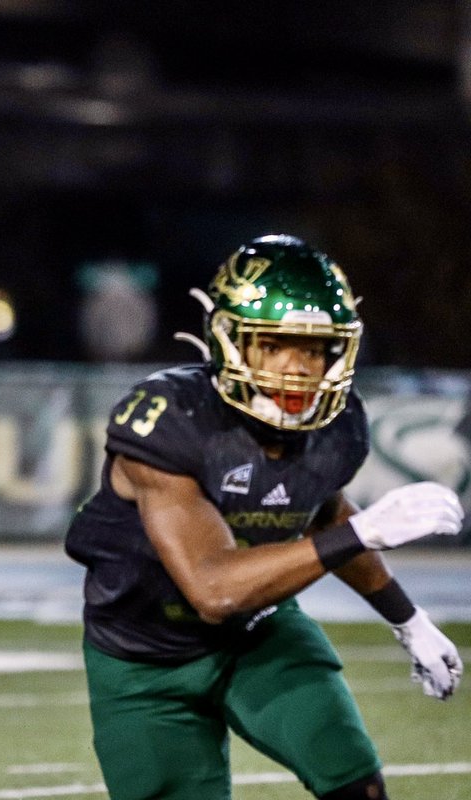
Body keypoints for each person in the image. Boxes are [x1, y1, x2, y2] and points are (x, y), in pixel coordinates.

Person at [64, 234, 464, 800]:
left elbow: (321, 511)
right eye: (274, 345)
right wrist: (363, 531)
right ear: (231, 341)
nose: (297, 369)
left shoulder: (338, 425)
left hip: (259, 633)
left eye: (316, 349)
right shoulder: (172, 419)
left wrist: (407, 618)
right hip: (143, 659)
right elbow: (213, 588)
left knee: (358, 788)